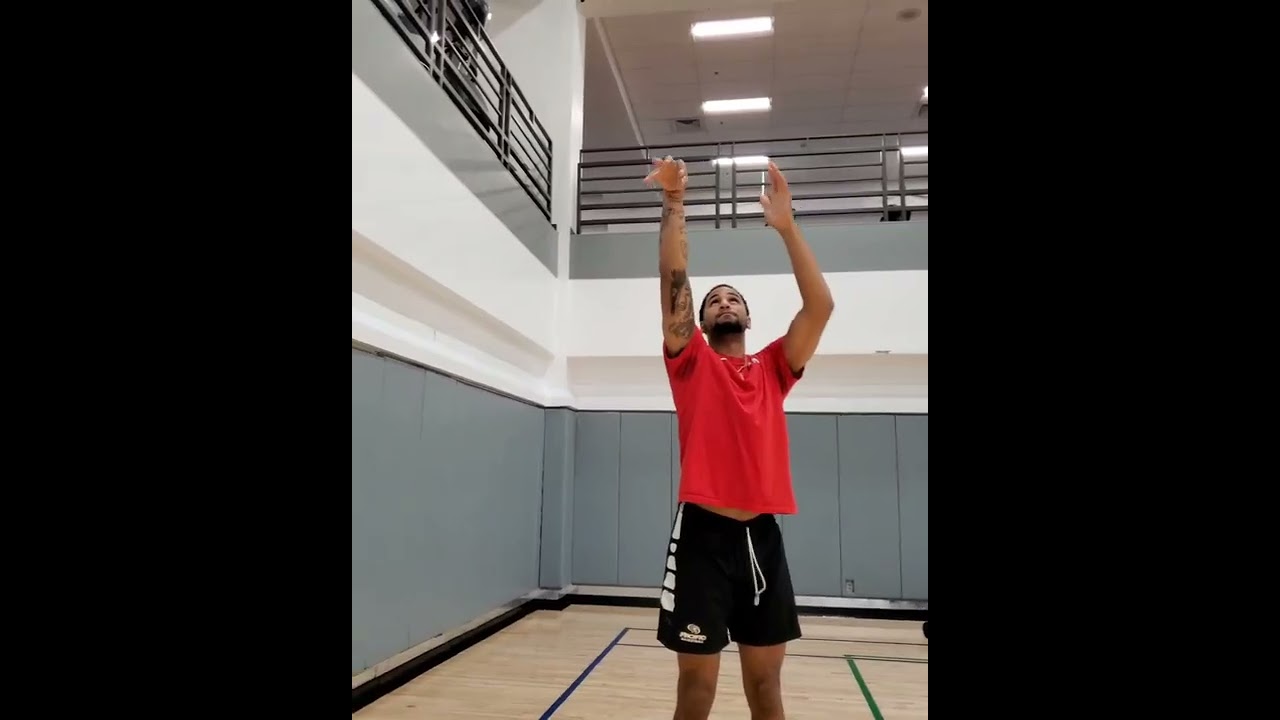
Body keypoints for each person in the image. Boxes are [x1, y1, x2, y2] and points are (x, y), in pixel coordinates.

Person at [643, 156, 835, 720]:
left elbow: (820, 306)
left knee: (766, 688)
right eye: (714, 300)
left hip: (762, 541)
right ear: (700, 324)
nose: (724, 301)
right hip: (702, 536)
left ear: (748, 318)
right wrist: (674, 202)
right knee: (697, 691)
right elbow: (674, 279)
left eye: (734, 297)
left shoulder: (776, 367)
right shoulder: (691, 364)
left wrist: (787, 227)